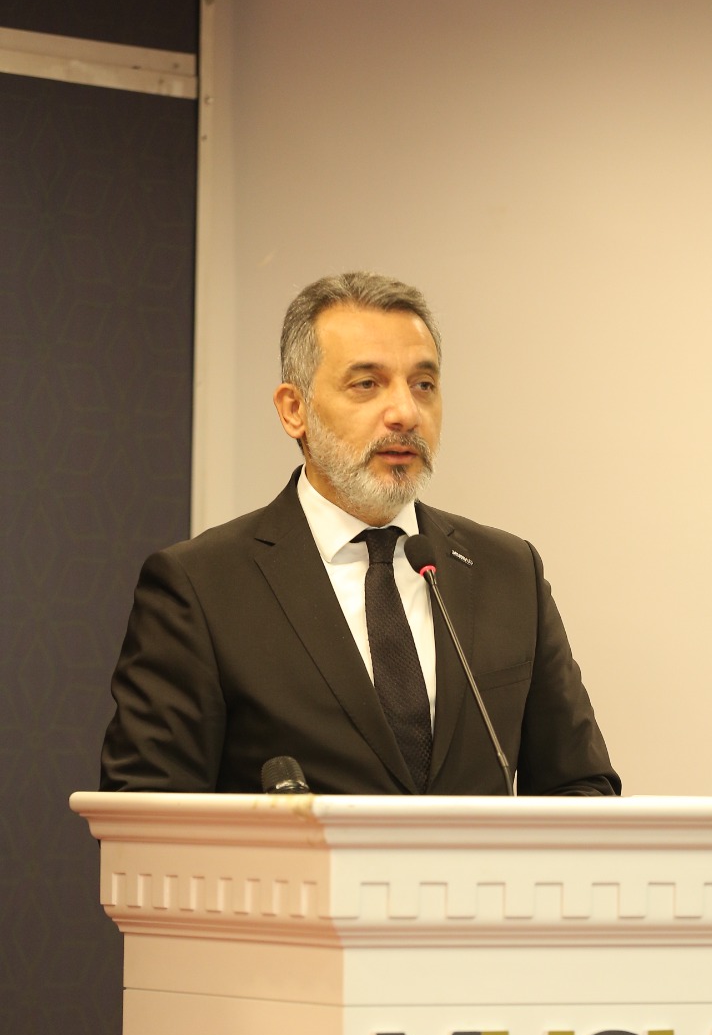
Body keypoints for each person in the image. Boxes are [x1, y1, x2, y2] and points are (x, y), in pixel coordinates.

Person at [100, 271, 619, 797]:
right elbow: (146, 810)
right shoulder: (202, 587)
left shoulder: (508, 571)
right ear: (294, 410)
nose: (405, 413)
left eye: (423, 384)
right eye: (367, 384)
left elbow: (582, 787)